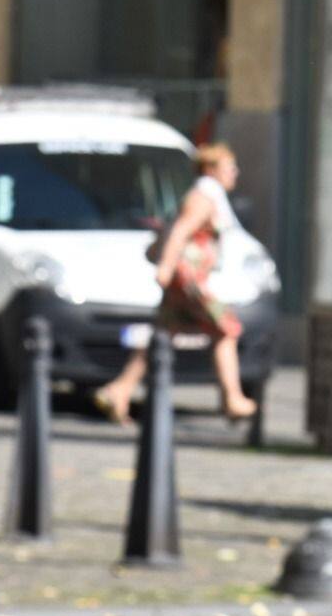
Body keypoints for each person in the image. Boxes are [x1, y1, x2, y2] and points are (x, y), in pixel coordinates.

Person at [95, 142, 257, 425]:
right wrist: (167, 267)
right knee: (226, 329)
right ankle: (232, 398)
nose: (235, 173)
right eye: (229, 167)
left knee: (163, 333)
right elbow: (181, 230)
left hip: (184, 278)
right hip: (189, 278)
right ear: (210, 170)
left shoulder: (204, 195)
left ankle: (119, 390)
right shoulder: (204, 196)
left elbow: (173, 228)